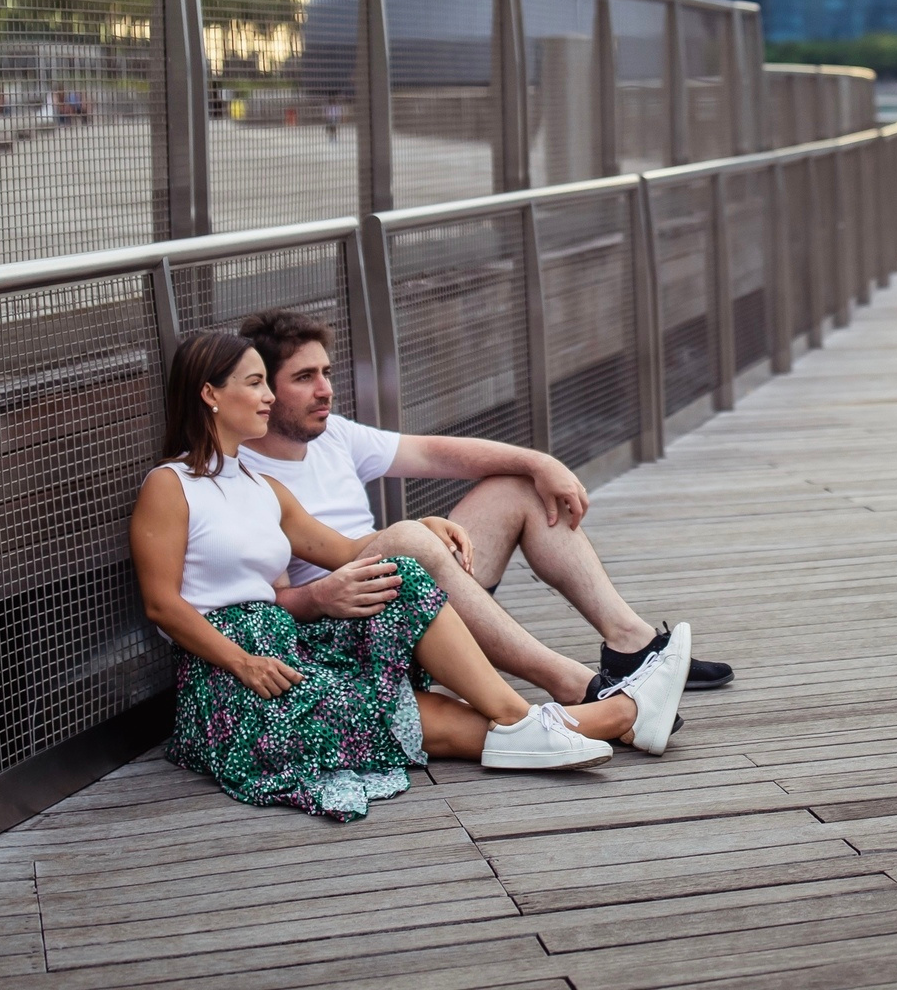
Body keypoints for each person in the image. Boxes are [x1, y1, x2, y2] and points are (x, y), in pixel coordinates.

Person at [133, 331, 689, 820]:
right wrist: (242, 661)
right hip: (228, 669)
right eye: (256, 384)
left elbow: (351, 550)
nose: (269, 397)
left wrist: (421, 526)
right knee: (399, 715)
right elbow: (162, 606)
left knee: (403, 574)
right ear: (210, 393)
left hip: (287, 645)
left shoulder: (260, 486)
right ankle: (620, 713)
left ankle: (538, 718)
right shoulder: (171, 484)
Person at [234, 309, 730, 716]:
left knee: (519, 488)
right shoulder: (241, 475)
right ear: (263, 389)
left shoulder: (333, 434)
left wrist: (538, 461)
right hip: (352, 628)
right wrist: (323, 592)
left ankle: (632, 646)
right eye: (304, 378)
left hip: (416, 592)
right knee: (408, 538)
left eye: (326, 373)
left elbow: (433, 454)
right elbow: (266, 605)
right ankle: (572, 684)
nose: (325, 389)